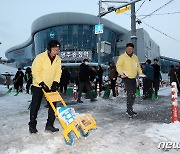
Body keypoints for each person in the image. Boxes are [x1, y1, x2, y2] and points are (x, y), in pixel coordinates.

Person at [28, 40, 62, 134]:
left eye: (57, 50)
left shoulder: (58, 59)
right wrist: (41, 83)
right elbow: (35, 71)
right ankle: (32, 125)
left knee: (53, 105)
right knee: (35, 105)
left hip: (51, 86)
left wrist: (56, 82)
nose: (56, 52)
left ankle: (49, 125)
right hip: (38, 85)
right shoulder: (40, 58)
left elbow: (58, 72)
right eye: (54, 50)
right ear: (49, 49)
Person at [116, 43, 143, 118]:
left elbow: (138, 67)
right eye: (128, 49)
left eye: (131, 49)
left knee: (133, 94)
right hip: (126, 77)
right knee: (130, 93)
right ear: (126, 49)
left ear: (133, 49)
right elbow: (118, 66)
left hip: (133, 77)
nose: (129, 50)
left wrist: (141, 73)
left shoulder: (135, 57)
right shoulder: (122, 57)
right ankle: (129, 110)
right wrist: (122, 72)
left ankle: (130, 108)